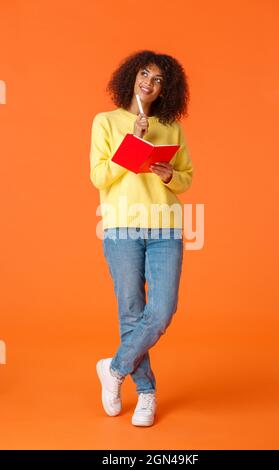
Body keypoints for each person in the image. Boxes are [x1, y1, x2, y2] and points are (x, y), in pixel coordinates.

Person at [89, 50, 194, 427]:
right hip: (121, 226)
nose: (149, 82)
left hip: (165, 226)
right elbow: (99, 177)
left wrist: (168, 176)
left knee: (162, 309)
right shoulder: (106, 121)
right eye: (144, 74)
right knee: (132, 312)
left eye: (159, 78)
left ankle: (114, 369)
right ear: (132, 77)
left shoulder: (171, 127)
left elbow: (186, 178)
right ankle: (146, 393)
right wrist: (129, 143)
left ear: (167, 88)